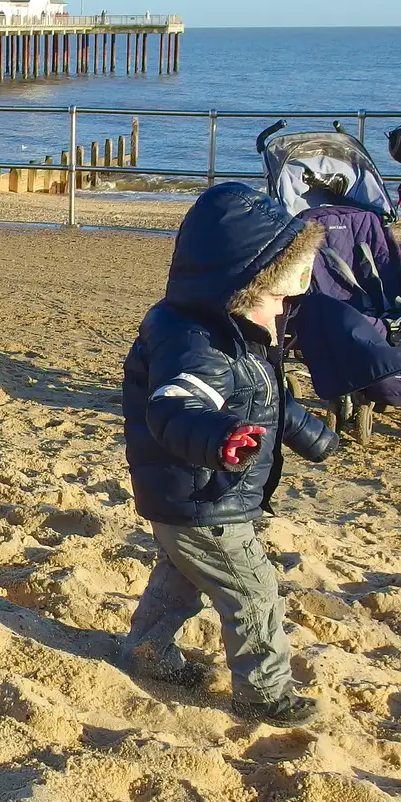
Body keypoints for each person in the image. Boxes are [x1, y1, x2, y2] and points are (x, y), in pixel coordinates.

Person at [122, 182, 339, 723]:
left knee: (179, 581)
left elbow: (273, 401)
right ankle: (265, 694)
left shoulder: (240, 333)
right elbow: (175, 408)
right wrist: (219, 440)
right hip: (204, 494)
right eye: (277, 299)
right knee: (254, 592)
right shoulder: (195, 342)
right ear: (240, 284)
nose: (285, 311)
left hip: (192, 498)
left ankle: (148, 652)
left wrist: (313, 435)